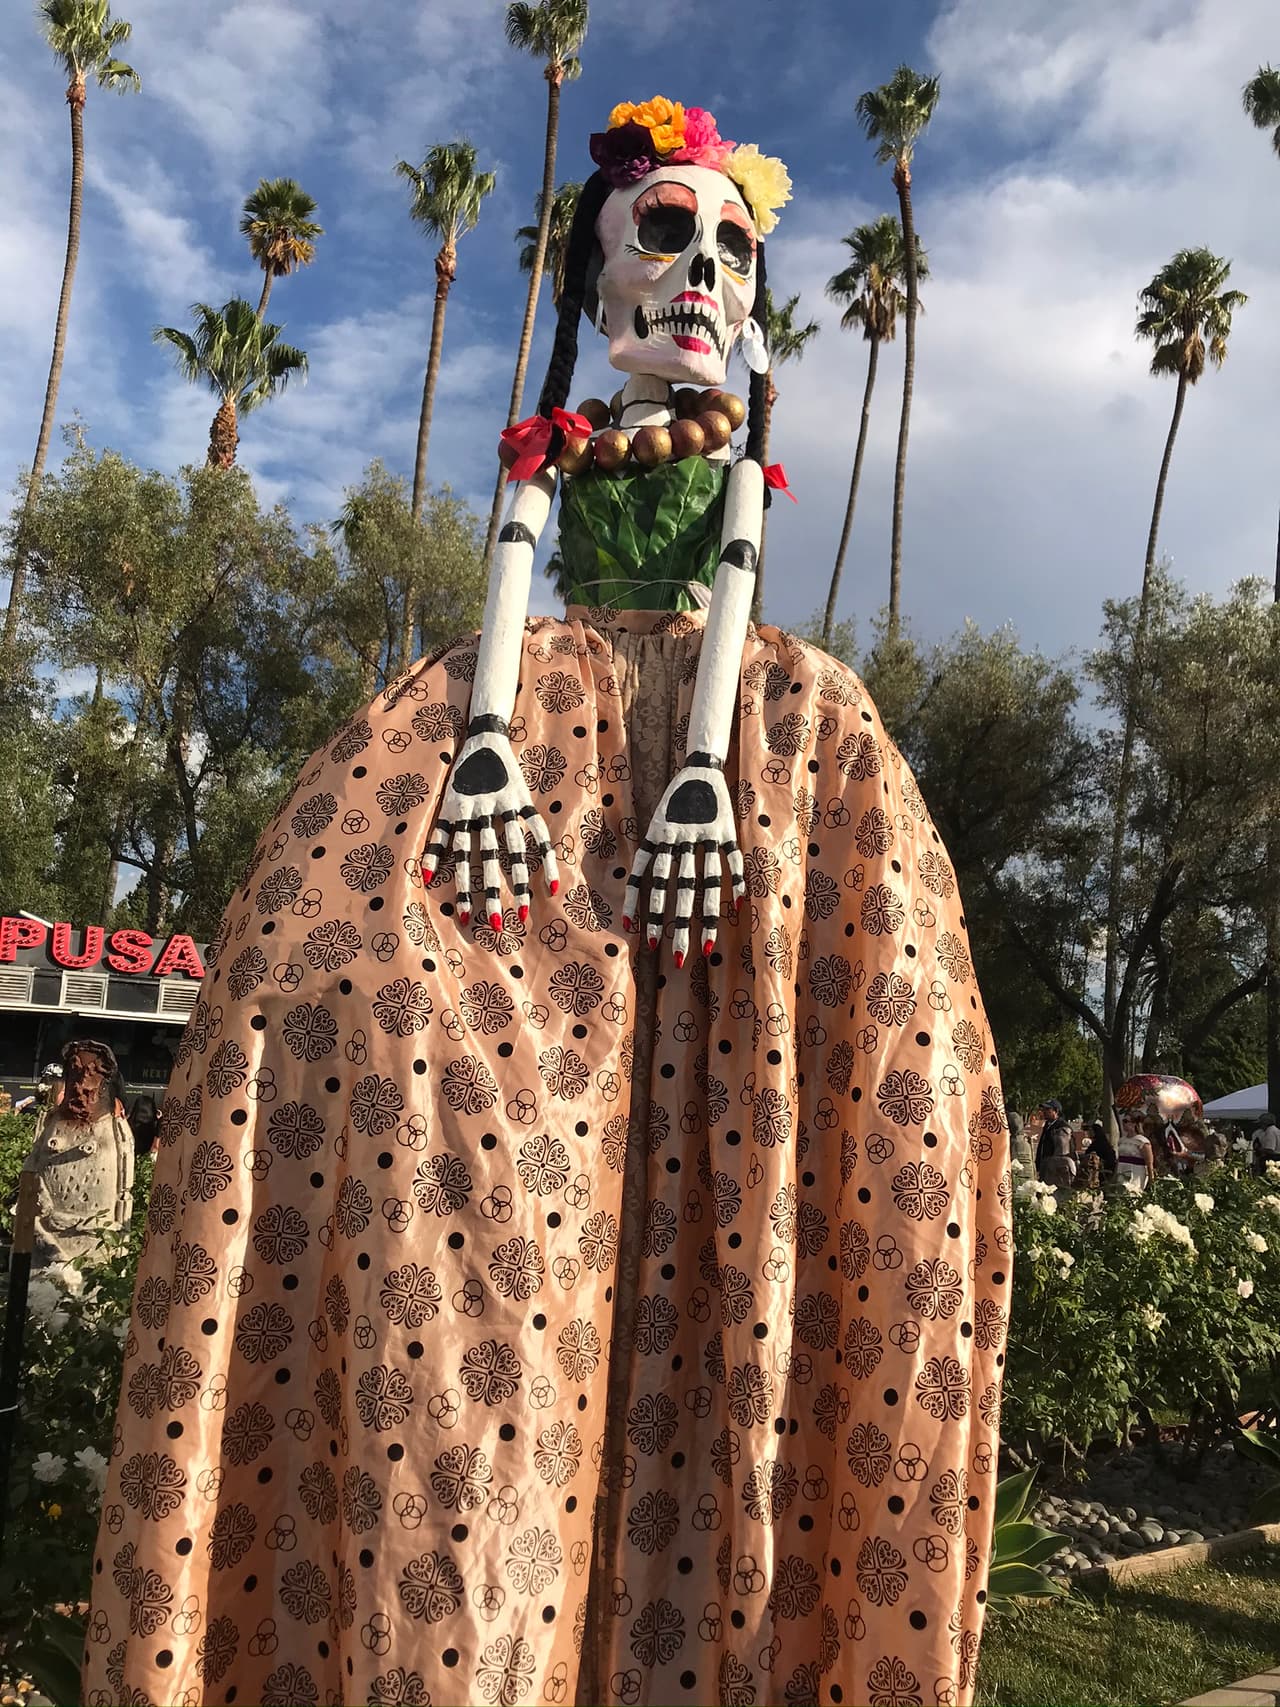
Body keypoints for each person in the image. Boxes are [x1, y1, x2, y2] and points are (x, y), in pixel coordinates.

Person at [86, 97, 1009, 1707]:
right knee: (360, 991)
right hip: (540, 725)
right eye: (669, 232)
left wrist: (716, 765)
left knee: (877, 1061)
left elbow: (730, 582)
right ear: (601, 287)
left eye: (732, 243)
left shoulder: (752, 524)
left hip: (731, 747)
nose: (706, 269)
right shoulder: (557, 455)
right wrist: (491, 741)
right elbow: (515, 568)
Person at [20, 1039, 133, 1266]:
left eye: (92, 1075)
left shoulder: (116, 1131)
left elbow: (123, 1193)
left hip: (94, 1247)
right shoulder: (50, 1124)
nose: (82, 1085)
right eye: (75, 1072)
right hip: (44, 1240)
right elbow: (29, 1177)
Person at [1117, 1113, 1156, 1189]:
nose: (1123, 1124)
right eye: (1123, 1121)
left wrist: (1151, 1180)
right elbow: (1119, 1158)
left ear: (1134, 1123)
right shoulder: (1122, 1140)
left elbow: (1149, 1162)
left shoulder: (1142, 1141)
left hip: (1135, 1172)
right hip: (1122, 1170)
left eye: (1126, 1121)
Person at [1253, 1112, 1280, 1176]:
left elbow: (1270, 1150)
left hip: (1273, 1160)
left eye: (1261, 1123)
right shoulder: (1277, 1130)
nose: (1260, 1125)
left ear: (1265, 1123)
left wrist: (1258, 1149)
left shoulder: (1270, 1131)